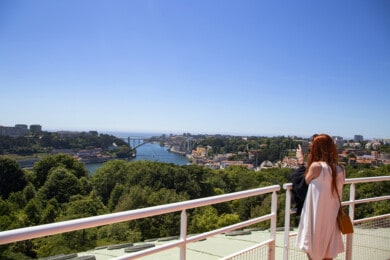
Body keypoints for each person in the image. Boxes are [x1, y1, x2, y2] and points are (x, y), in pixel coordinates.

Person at [296, 134, 345, 260]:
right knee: (328, 256)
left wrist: (300, 162)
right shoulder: (340, 169)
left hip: (316, 218)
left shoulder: (316, 167)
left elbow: (301, 186)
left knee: (314, 254)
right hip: (331, 218)